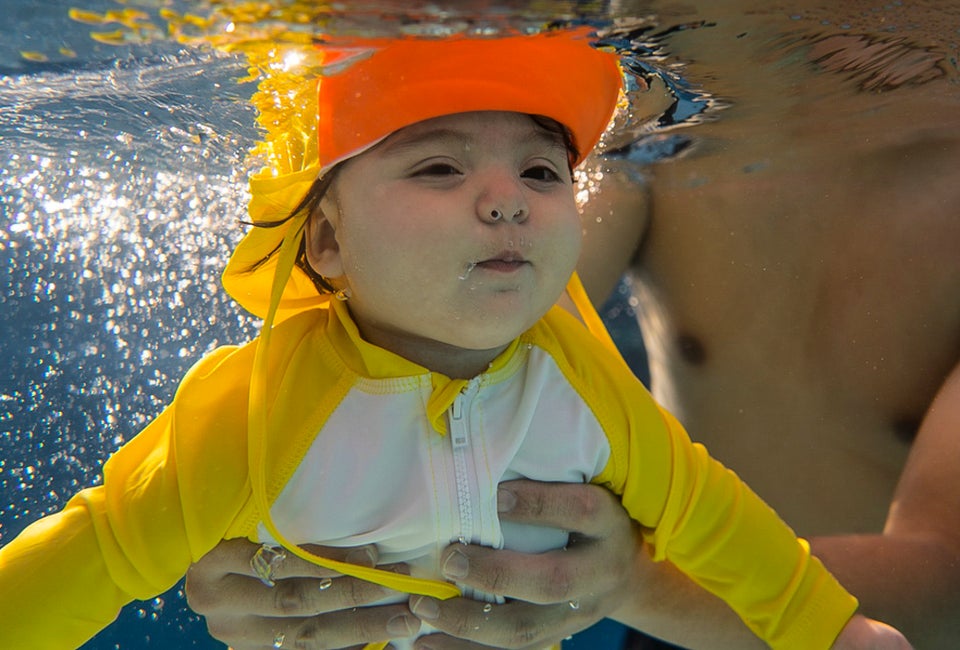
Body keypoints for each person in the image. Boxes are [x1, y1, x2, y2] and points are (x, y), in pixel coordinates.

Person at [0, 27, 910, 650]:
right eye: (439, 164)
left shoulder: (583, 381)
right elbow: (102, 550)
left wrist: (833, 633)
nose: (506, 196)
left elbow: (708, 515)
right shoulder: (258, 412)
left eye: (541, 169)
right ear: (327, 241)